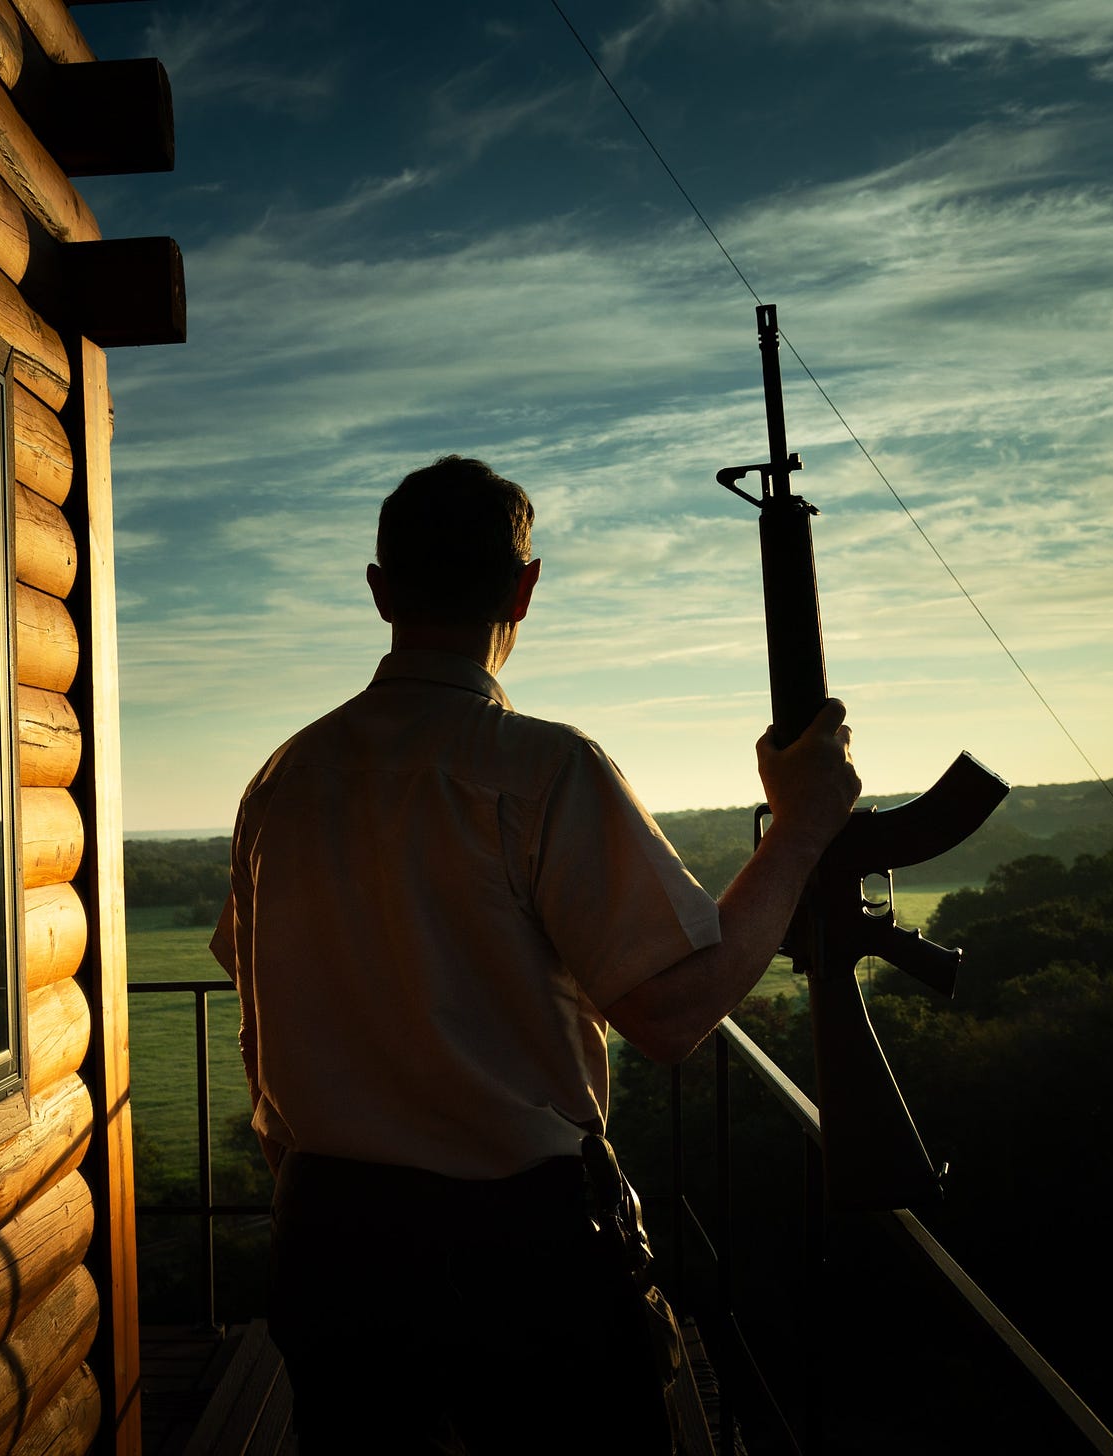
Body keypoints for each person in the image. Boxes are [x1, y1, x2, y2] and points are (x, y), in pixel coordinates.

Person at [210, 455, 860, 1453]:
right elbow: (672, 1014)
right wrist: (801, 826)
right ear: (524, 587)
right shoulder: (541, 767)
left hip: (327, 1238)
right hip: (517, 1255)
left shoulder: (283, 779)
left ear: (380, 590)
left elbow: (256, 1006)